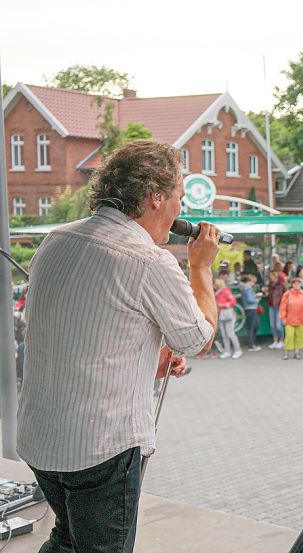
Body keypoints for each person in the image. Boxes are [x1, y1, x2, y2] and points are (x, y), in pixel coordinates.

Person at [17, 140, 219, 553]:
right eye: (179, 197)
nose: (181, 211)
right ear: (156, 197)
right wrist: (200, 267)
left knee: (67, 539)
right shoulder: (148, 260)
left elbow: (72, 326)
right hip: (100, 448)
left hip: (40, 438)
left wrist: (142, 357)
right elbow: (197, 339)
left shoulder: (56, 240)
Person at [280, 277, 303, 360]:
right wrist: (283, 317)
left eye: (298, 283)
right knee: (289, 336)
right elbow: (283, 307)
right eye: (295, 284)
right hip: (289, 319)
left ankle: (297, 353)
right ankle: (286, 353)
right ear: (292, 285)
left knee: (299, 337)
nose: (297, 285)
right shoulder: (287, 294)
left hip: (301, 319)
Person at [214, 278, 242, 359]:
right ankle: (227, 351)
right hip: (221, 316)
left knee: (230, 333)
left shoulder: (226, 291)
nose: (214, 286)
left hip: (227, 315)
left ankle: (238, 350)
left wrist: (222, 305)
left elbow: (233, 302)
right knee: (224, 335)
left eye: (215, 284)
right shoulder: (218, 293)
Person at [266, 262, 287, 349]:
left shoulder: (281, 285)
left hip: (279, 306)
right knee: (272, 324)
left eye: (271, 276)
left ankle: (281, 340)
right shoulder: (270, 285)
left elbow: (286, 295)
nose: (270, 278)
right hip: (271, 305)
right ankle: (275, 340)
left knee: (278, 324)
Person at [240, 274, 262, 352]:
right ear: (250, 281)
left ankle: (251, 343)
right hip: (251, 308)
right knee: (253, 327)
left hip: (249, 308)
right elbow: (249, 299)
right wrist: (257, 299)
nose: (254, 284)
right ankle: (251, 345)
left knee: (252, 326)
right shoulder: (248, 288)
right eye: (253, 282)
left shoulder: (244, 288)